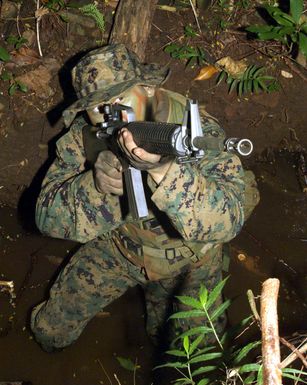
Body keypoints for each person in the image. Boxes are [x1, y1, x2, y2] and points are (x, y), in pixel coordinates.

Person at [30, 43, 257, 352]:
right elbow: (45, 218)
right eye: (98, 107)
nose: (111, 113)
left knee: (196, 356)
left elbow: (228, 220)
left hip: (189, 260)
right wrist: (96, 185)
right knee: (49, 331)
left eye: (121, 98)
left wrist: (166, 172)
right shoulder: (86, 136)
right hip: (120, 247)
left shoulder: (197, 131)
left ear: (148, 87)